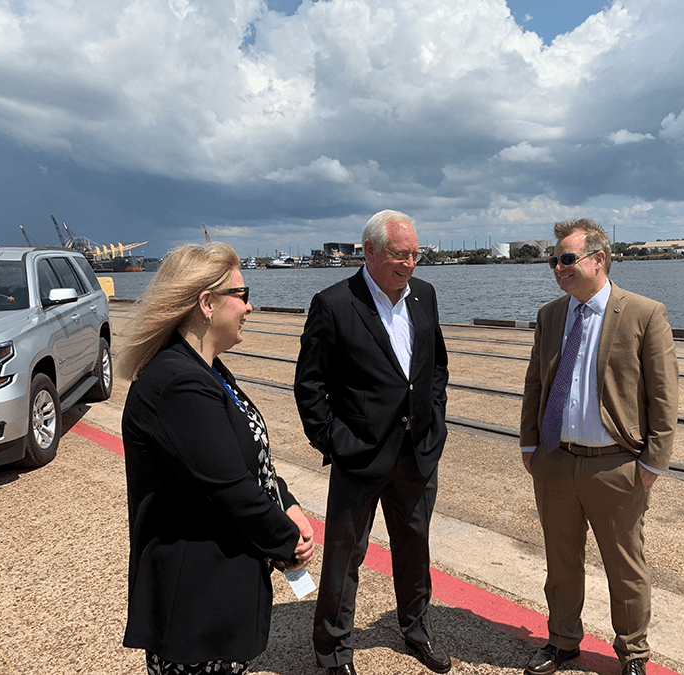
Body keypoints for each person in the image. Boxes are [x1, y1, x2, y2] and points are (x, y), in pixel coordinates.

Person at [117, 242, 315, 674]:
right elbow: (229, 489)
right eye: (241, 295)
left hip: (216, 589)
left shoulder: (203, 368)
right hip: (196, 603)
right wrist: (288, 543)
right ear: (207, 303)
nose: (249, 306)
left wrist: (288, 500)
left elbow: (242, 455)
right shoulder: (177, 385)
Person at [294, 210, 451, 675]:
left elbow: (435, 366)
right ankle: (333, 653)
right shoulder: (334, 303)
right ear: (369, 252)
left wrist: (434, 420)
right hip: (358, 454)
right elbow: (309, 387)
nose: (410, 264)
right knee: (344, 556)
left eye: (415, 254)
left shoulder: (424, 296)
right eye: (400, 255)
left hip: (417, 452)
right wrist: (337, 443)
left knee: (414, 545)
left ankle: (416, 628)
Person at [520, 219, 679, 675]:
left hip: (616, 464)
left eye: (567, 259)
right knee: (560, 562)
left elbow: (663, 395)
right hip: (556, 461)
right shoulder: (551, 314)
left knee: (626, 568)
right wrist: (530, 444)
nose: (558, 267)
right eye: (554, 260)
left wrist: (652, 462)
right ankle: (562, 642)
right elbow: (536, 383)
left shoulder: (644, 314)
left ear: (598, 260)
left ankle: (632, 653)